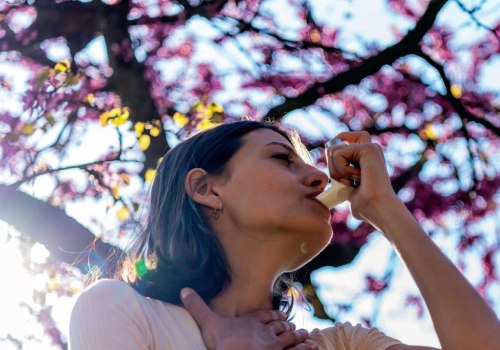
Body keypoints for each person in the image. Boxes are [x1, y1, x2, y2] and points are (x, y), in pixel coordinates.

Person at [69, 121, 499, 350]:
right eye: (282, 158)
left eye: (310, 164)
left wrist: (386, 210)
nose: (317, 176)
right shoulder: (120, 311)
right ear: (205, 189)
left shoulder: (346, 345)